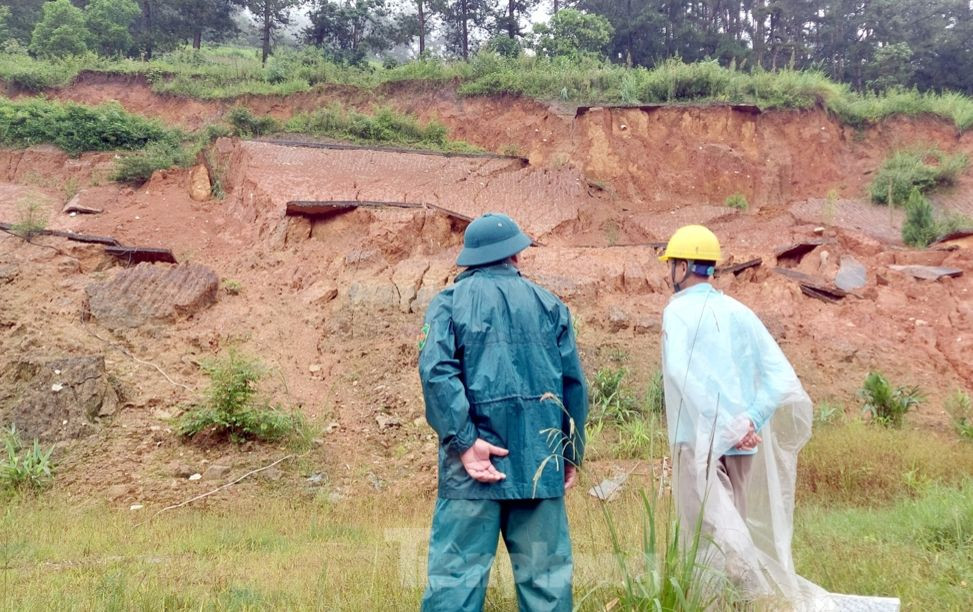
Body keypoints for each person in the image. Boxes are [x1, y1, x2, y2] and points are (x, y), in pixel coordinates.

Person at [418, 212, 588, 612]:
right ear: (516, 256)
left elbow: (436, 371)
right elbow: (573, 386)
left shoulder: (448, 304)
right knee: (546, 585)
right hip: (538, 463)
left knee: (454, 585)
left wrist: (464, 441)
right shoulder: (551, 306)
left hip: (471, 471)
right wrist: (569, 454)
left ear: (471, 259)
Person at [659, 224, 817, 603]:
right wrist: (750, 421)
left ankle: (721, 603)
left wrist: (728, 424)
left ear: (682, 267)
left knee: (705, 542)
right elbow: (782, 377)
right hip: (741, 450)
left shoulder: (676, 312)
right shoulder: (740, 312)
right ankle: (742, 605)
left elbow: (682, 374)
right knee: (734, 535)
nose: (669, 273)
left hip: (697, 444)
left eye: (672, 265)